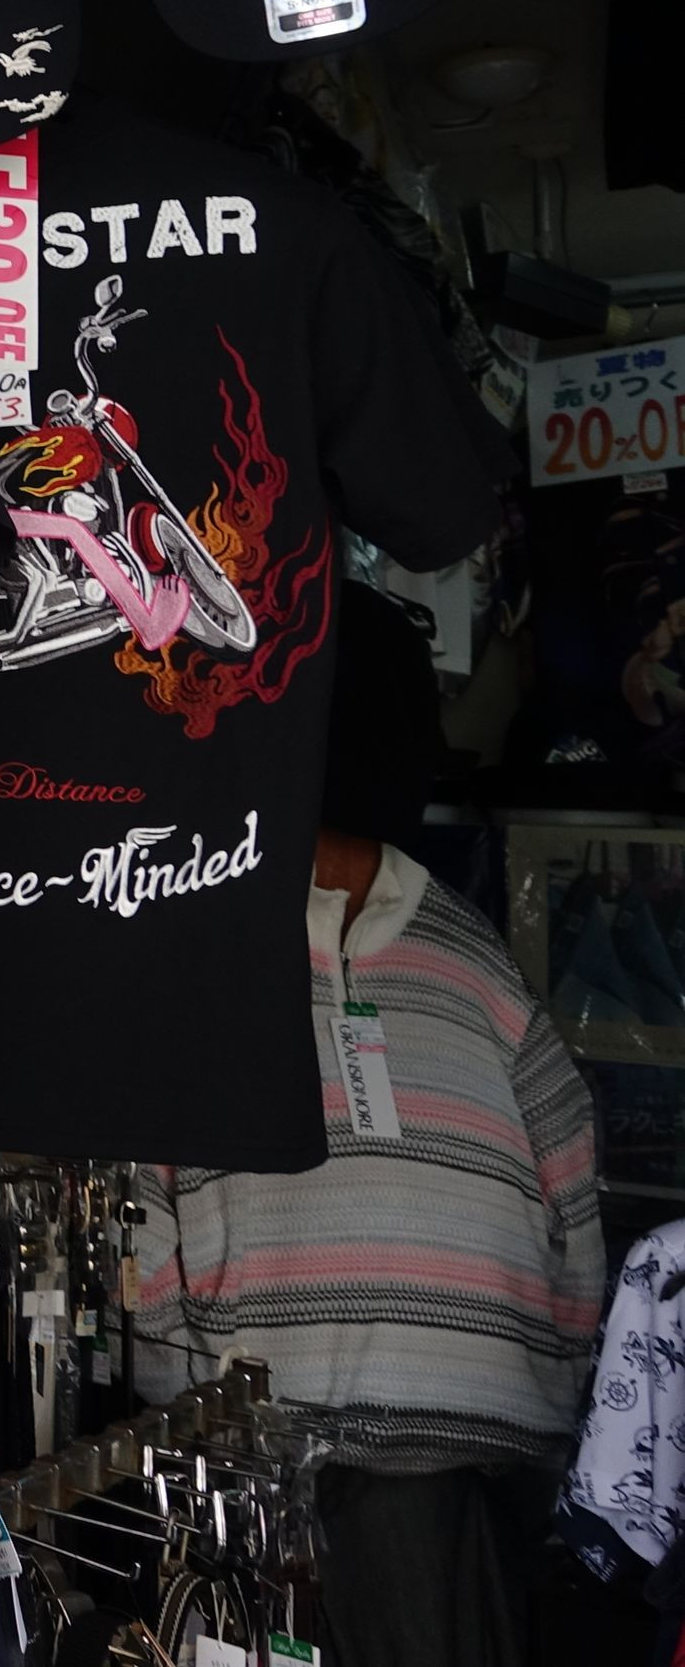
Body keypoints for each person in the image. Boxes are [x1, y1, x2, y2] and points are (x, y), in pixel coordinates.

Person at [129, 583, 603, 1667]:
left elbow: (141, 1225)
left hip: (287, 1468)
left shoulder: (197, 963)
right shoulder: (485, 969)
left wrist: (167, 1403)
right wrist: (543, 1391)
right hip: (448, 1487)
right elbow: (574, 1216)